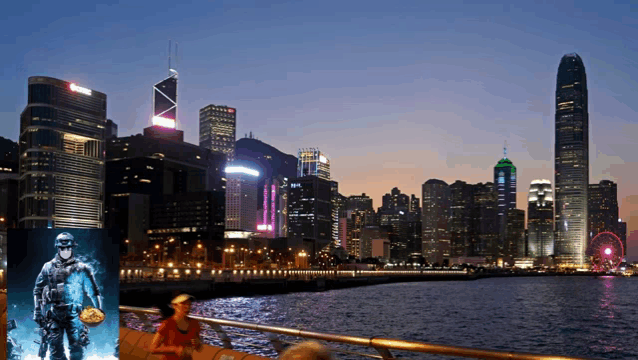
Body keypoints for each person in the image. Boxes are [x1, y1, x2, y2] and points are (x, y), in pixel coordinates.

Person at [33, 232, 102, 360]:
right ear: (58, 248)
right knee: (55, 352)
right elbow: (37, 290)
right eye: (62, 248)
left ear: (72, 247)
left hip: (75, 315)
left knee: (76, 351)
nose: (65, 251)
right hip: (55, 315)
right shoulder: (47, 267)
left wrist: (98, 311)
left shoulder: (82, 268)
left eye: (68, 248)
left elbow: (93, 291)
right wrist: (37, 311)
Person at [150, 294, 203, 360]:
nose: (187, 306)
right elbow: (153, 349)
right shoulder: (167, 324)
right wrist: (174, 349)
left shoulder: (194, 323)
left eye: (189, 304)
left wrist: (198, 344)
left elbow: (199, 348)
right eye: (183, 304)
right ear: (175, 306)